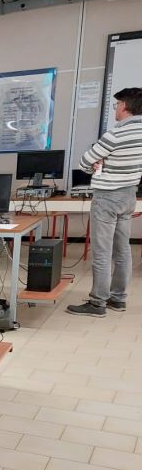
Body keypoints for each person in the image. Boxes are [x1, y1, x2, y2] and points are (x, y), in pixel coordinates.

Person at [68, 87, 142, 317]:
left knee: (102, 251)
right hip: (129, 195)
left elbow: (84, 162)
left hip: (107, 196)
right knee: (122, 249)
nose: (115, 109)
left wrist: (98, 164)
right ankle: (118, 299)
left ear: (124, 106)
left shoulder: (115, 134)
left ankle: (97, 303)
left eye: (116, 105)